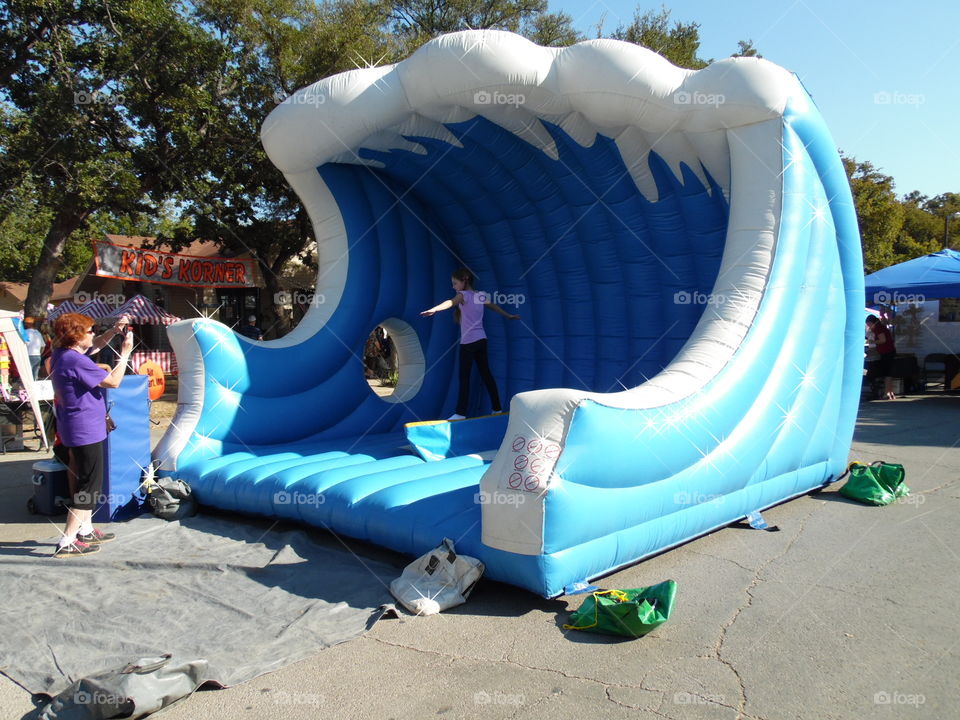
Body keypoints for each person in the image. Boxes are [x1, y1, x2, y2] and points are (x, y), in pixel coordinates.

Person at [49, 313, 133, 557]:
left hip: (77, 426)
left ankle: (85, 529)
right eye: (89, 330)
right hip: (84, 429)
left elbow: (93, 346)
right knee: (88, 486)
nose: (93, 334)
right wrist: (125, 353)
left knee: (87, 481)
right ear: (76, 336)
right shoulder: (75, 361)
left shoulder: (62, 354)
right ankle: (67, 539)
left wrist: (114, 331)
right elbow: (113, 382)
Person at [421, 267, 519, 420]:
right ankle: (497, 408)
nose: (453, 287)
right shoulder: (479, 295)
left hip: (468, 343)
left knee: (464, 378)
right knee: (486, 375)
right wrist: (508, 315)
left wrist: (435, 309)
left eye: (455, 283)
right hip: (482, 340)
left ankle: (461, 413)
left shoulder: (463, 295)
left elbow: (450, 303)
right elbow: (494, 306)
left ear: (464, 281)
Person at [866, 315, 896, 400]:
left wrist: (872, 341)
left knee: (886, 373)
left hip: (886, 352)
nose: (869, 326)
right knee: (888, 373)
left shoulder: (878, 328)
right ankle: (890, 392)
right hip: (889, 351)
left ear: (872, 323)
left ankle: (887, 393)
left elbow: (883, 340)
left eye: (869, 324)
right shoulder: (881, 328)